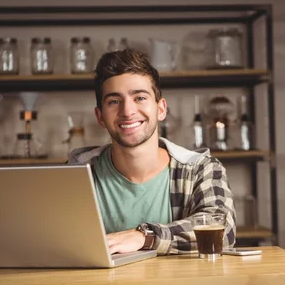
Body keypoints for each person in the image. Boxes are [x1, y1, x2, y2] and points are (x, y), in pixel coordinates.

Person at [67, 49, 236, 255]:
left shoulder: (201, 169)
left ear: (161, 109)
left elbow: (223, 231)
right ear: (100, 116)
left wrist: (145, 237)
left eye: (139, 97)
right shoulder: (78, 172)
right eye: (114, 101)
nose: (127, 111)